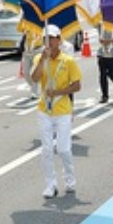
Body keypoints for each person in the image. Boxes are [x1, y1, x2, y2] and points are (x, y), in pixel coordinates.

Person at [30, 24, 82, 198]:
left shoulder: (68, 61)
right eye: (46, 39)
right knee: (46, 149)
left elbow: (77, 86)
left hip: (63, 110)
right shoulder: (40, 58)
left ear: (59, 40)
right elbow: (34, 79)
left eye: (52, 38)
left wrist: (58, 92)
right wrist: (43, 60)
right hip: (44, 110)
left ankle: (70, 180)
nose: (50, 42)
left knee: (63, 149)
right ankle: (50, 185)